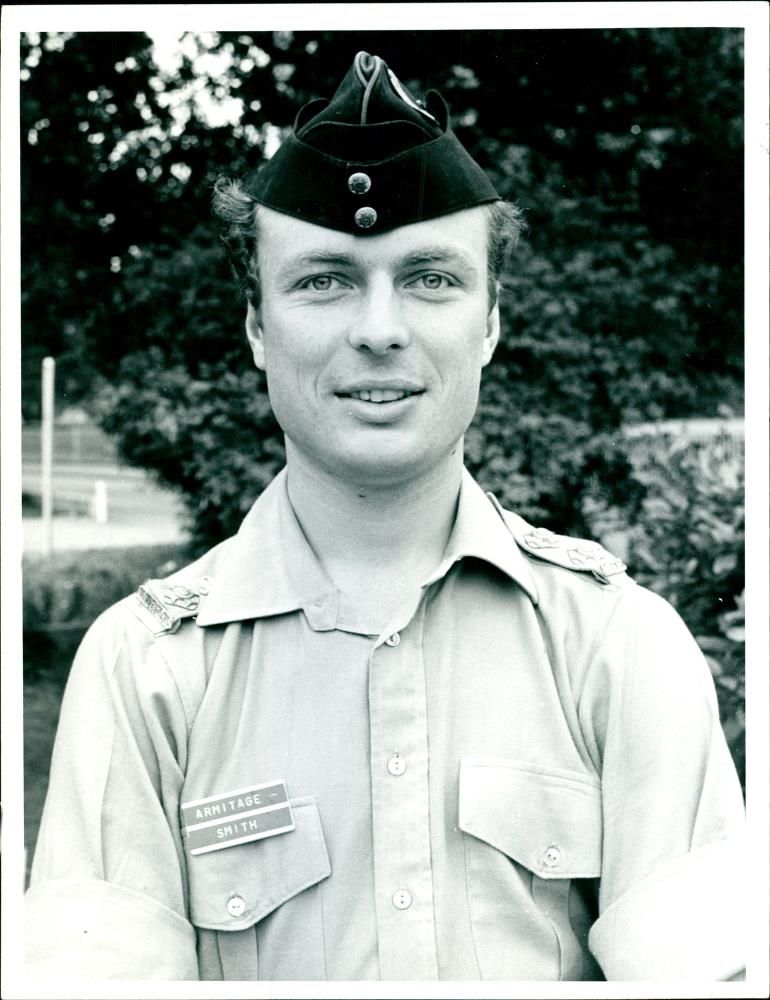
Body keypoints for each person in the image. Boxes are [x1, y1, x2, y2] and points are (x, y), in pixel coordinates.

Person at [26, 51, 745, 983]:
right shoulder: (146, 671)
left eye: (431, 279)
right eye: (324, 280)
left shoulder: (620, 647)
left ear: (490, 321)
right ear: (255, 324)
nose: (379, 327)